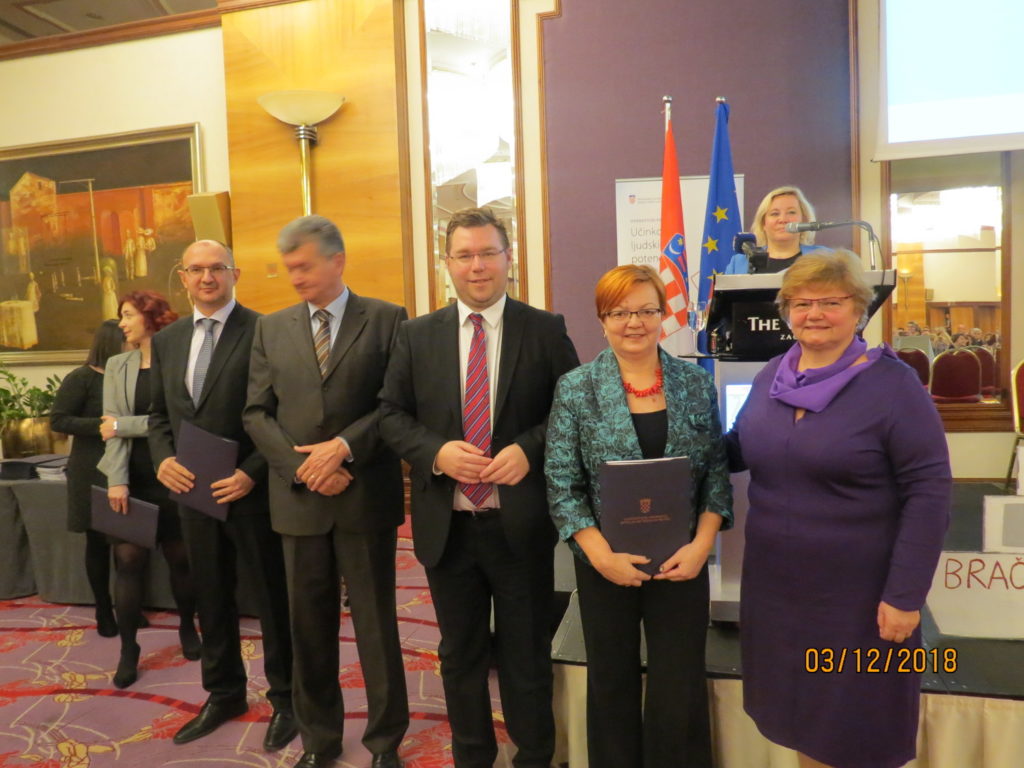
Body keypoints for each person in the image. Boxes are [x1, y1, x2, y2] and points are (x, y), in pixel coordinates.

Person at [726, 251, 952, 768]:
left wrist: (905, 594)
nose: (815, 313)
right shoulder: (772, 376)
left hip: (858, 601)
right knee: (802, 721)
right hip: (776, 594)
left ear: (858, 310)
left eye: (831, 302)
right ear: (786, 312)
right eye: (801, 303)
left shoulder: (893, 386)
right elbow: (736, 449)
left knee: (853, 732)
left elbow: (930, 491)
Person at [379, 207, 580, 768]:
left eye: (488, 253)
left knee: (526, 657)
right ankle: (473, 756)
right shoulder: (415, 335)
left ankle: (534, 757)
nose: (477, 266)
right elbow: (391, 415)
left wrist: (529, 449)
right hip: (448, 529)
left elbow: (572, 409)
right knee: (459, 656)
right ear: (447, 263)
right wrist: (436, 453)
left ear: (508, 258)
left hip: (520, 528)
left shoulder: (544, 329)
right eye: (464, 255)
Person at [544, 264, 732, 768]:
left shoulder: (694, 383)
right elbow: (562, 484)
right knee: (611, 681)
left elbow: (716, 477)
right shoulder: (576, 388)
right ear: (602, 320)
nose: (634, 322)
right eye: (620, 312)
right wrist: (601, 557)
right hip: (605, 564)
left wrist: (701, 547)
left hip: (682, 562)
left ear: (663, 314)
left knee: (679, 683)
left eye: (646, 310)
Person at [244, 215, 409, 768]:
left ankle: (385, 743)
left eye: (304, 267)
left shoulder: (386, 320)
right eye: (288, 268)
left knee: (376, 627)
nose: (295, 278)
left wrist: (342, 448)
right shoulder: (271, 328)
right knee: (309, 628)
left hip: (364, 496)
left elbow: (394, 405)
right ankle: (319, 740)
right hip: (299, 501)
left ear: (337, 260)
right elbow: (256, 413)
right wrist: (304, 468)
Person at [148, 240, 295, 750]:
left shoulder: (265, 330)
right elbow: (159, 415)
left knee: (272, 599)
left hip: (251, 491)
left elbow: (281, 413)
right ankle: (224, 692)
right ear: (182, 277)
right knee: (210, 596)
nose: (206, 278)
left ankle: (287, 699)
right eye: (196, 270)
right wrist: (162, 458)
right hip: (193, 491)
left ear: (235, 273)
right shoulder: (167, 340)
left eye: (217, 268)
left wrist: (252, 473)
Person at [97, 290, 199, 689]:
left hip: (174, 472)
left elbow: (179, 422)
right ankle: (128, 649)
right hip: (132, 475)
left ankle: (188, 628)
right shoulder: (117, 364)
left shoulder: (181, 360)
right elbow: (109, 428)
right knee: (127, 561)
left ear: (151, 317)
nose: (121, 323)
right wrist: (116, 480)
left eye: (128, 315)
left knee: (181, 559)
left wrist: (125, 425)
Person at [50, 319, 125, 637]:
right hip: (90, 469)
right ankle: (103, 609)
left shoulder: (130, 376)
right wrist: (102, 426)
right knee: (97, 543)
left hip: (125, 469)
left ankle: (128, 605)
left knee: (128, 542)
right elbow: (58, 420)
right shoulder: (81, 378)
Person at [724, 185, 830, 274]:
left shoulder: (826, 258)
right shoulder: (738, 264)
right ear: (763, 223)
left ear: (804, 219)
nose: (783, 220)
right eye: (775, 214)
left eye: (791, 212)